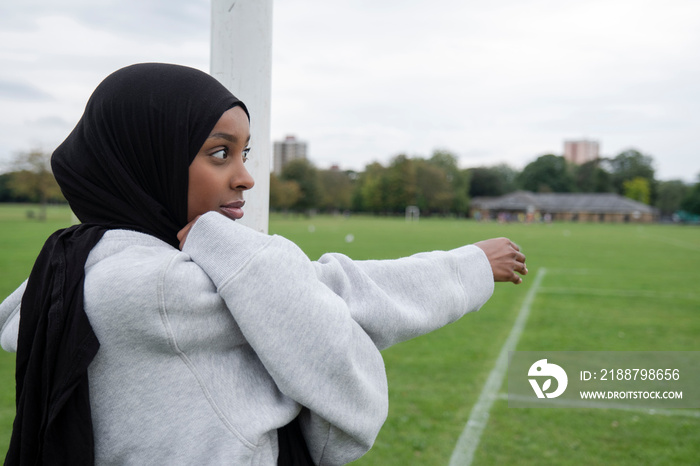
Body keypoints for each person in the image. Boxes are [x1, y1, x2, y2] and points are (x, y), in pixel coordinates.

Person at [0, 63, 527, 465]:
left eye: (245, 154)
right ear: (147, 157)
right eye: (219, 152)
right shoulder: (158, 290)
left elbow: (305, 289)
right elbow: (323, 304)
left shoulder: (75, 271)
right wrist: (468, 268)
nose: (246, 178)